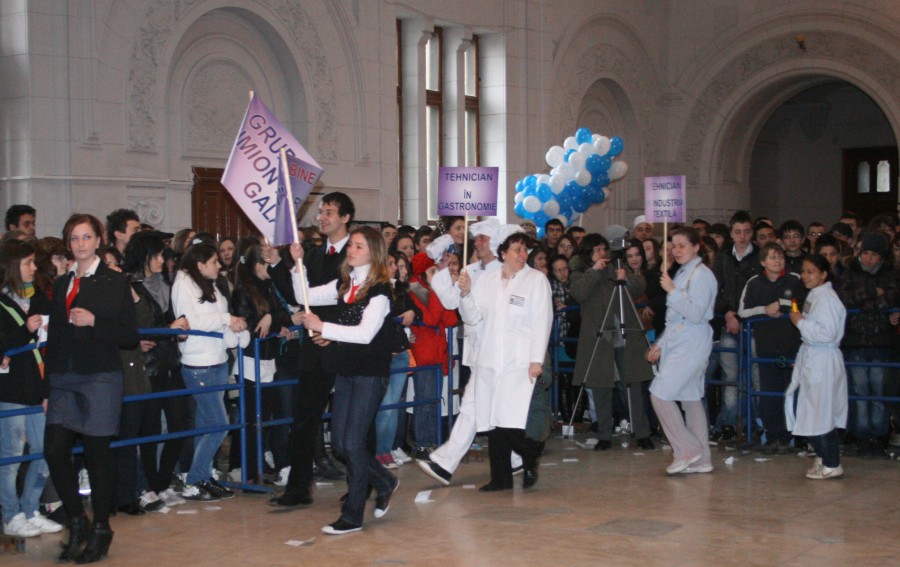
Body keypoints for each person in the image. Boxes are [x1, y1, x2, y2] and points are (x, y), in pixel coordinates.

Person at [43, 213, 139, 562]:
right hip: (64, 378)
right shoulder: (61, 283)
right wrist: (46, 387)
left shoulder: (114, 281)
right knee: (54, 449)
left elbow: (129, 335)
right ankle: (76, 520)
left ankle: (101, 527)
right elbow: (54, 336)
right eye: (74, 238)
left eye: (86, 237)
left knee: (98, 456)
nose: (80, 244)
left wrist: (95, 321)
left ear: (99, 240)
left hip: (100, 375)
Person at [290, 226, 399, 535]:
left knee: (352, 442)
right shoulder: (344, 283)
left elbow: (365, 334)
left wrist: (323, 327)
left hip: (370, 372)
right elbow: (304, 296)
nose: (351, 250)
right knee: (340, 443)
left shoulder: (380, 290)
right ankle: (384, 480)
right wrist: (296, 264)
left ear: (373, 252)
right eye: (351, 245)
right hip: (346, 370)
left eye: (359, 246)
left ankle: (352, 516)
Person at [268, 192, 355, 508]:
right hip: (314, 350)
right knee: (304, 419)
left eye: (329, 212)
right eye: (321, 212)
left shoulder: (356, 252)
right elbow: (298, 294)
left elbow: (349, 299)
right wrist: (289, 263)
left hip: (345, 346)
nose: (322, 217)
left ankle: (362, 484)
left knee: (353, 422)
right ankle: (298, 489)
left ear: (345, 217)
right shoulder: (316, 254)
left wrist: (330, 332)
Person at [457, 228, 552, 491]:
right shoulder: (486, 281)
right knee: (491, 420)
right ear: (503, 253)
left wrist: (536, 360)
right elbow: (472, 317)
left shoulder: (535, 280)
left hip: (519, 360)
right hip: (489, 358)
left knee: (509, 419)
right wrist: (464, 294)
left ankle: (531, 450)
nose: (523, 255)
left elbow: (543, 321)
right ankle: (501, 478)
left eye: (525, 250)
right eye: (517, 250)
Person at [417, 218, 508, 486]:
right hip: (477, 348)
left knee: (473, 405)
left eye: (482, 238)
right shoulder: (469, 269)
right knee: (479, 406)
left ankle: (446, 463)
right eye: (476, 237)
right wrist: (442, 272)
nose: (477, 242)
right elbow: (450, 300)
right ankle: (516, 458)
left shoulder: (503, 272)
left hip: (494, 347)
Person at [171, 242, 247, 501]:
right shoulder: (184, 283)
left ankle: (203, 476)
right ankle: (193, 479)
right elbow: (190, 321)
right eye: (214, 261)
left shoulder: (211, 284)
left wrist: (232, 329)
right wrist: (226, 320)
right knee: (219, 425)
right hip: (198, 364)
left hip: (217, 360)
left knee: (207, 426)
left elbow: (218, 316)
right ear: (200, 263)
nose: (219, 265)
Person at [121, 231, 190, 510]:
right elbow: (134, 324)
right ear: (146, 256)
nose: (164, 260)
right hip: (147, 368)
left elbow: (167, 320)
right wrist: (168, 330)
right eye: (159, 255)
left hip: (170, 363)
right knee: (148, 432)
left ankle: (161, 482)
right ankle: (151, 485)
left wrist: (177, 328)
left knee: (180, 425)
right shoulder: (130, 285)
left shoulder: (167, 282)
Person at [0, 240, 63, 538]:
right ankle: (10, 515)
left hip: (38, 387)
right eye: (27, 262)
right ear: (12, 266)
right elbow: (5, 345)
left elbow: (48, 343)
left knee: (43, 450)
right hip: (10, 391)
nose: (34, 268)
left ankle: (30, 508)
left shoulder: (38, 297)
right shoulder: (2, 303)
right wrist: (24, 330)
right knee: (11, 456)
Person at [570, 237, 654, 451]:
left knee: (632, 384)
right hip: (599, 336)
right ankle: (604, 434)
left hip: (625, 333)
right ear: (588, 253)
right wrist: (594, 271)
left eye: (603, 249)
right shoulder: (581, 272)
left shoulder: (617, 266)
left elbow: (639, 286)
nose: (601, 253)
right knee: (600, 386)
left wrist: (626, 279)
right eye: (596, 250)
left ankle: (642, 432)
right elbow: (578, 293)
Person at [646, 227, 717, 475]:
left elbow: (696, 313)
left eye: (682, 245)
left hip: (693, 341)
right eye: (673, 246)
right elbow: (674, 319)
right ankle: (702, 458)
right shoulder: (683, 272)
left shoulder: (702, 275)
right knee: (690, 398)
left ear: (696, 247)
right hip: (680, 339)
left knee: (660, 393)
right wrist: (661, 344)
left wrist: (673, 291)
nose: (676, 251)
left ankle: (686, 449)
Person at [228, 242, 295, 484]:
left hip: (268, 359)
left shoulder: (271, 286)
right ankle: (245, 467)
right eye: (268, 263)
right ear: (258, 265)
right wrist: (272, 321)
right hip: (250, 360)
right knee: (249, 419)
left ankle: (256, 464)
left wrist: (276, 321)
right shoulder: (243, 291)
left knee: (262, 418)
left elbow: (282, 313)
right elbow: (251, 327)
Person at [737, 243, 805, 454]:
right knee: (769, 392)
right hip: (766, 349)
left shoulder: (794, 280)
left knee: (790, 390)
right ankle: (773, 435)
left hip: (790, 347)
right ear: (763, 261)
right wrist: (764, 310)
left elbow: (802, 305)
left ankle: (790, 436)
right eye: (773, 257)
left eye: (780, 257)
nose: (778, 261)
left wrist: (782, 304)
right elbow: (743, 312)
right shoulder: (754, 283)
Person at [785, 254, 848, 479]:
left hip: (823, 359)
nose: (805, 276)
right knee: (812, 409)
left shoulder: (828, 298)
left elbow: (827, 332)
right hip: (813, 356)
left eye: (811, 272)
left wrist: (800, 322)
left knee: (822, 411)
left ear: (823, 274)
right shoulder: (815, 295)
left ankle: (832, 461)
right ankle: (823, 455)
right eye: (803, 271)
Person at [835, 231, 898, 457]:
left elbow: (891, 298)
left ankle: (879, 435)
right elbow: (843, 298)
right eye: (866, 253)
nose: (869, 258)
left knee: (878, 389)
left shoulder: (890, 274)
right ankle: (862, 435)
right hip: (855, 340)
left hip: (881, 340)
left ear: (882, 257)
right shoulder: (849, 272)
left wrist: (866, 300)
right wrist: (872, 292)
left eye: (874, 255)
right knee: (860, 390)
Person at [712, 210, 759, 443]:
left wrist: (742, 315)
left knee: (754, 375)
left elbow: (760, 291)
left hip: (754, 323)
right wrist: (727, 313)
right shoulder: (722, 258)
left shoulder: (759, 257)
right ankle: (728, 423)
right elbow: (715, 289)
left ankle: (755, 424)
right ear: (731, 233)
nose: (742, 237)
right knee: (730, 377)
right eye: (738, 232)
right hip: (728, 321)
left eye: (747, 232)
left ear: (752, 233)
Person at [374, 252, 419, 467]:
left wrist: (410, 312)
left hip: (400, 353)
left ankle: (386, 449)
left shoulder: (399, 289)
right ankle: (379, 449)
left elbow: (415, 310)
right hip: (382, 354)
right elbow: (387, 316)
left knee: (392, 405)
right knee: (385, 405)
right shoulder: (375, 290)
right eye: (390, 263)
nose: (395, 268)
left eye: (397, 265)